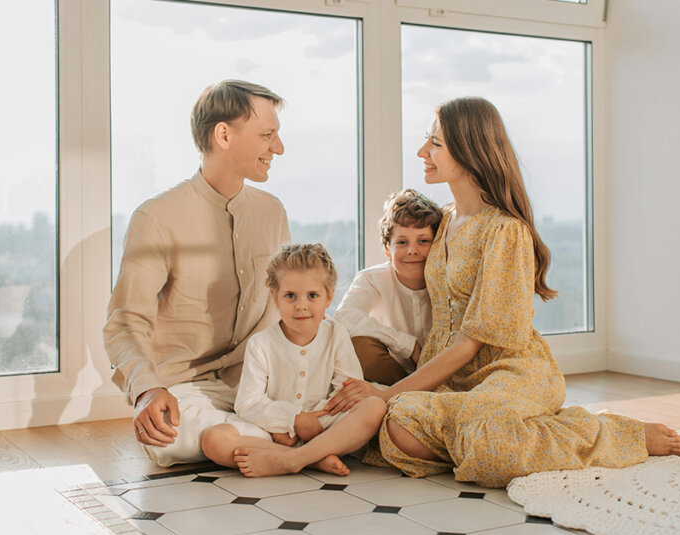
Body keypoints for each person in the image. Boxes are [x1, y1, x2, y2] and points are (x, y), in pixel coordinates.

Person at [325, 97, 680, 488]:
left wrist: (384, 394)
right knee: (400, 425)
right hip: (455, 380)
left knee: (485, 441)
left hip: (511, 371)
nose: (422, 152)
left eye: (435, 144)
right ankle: (504, 435)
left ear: (469, 151)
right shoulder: (445, 219)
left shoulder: (505, 230)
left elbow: (470, 345)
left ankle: (616, 434)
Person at [103, 80, 290, 466]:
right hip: (183, 388)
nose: (278, 148)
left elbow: (286, 306)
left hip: (258, 381)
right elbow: (125, 323)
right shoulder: (156, 217)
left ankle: (262, 441)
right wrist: (147, 390)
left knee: (352, 404)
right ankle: (291, 440)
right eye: (267, 135)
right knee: (170, 435)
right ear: (223, 134)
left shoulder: (272, 212)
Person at [200, 244, 388, 477]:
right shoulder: (261, 344)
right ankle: (313, 460)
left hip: (325, 426)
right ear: (275, 298)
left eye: (312, 296)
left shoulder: (336, 334)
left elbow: (347, 391)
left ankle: (294, 459)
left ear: (329, 297)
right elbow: (248, 403)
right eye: (290, 296)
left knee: (374, 407)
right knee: (214, 440)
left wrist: (313, 423)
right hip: (273, 434)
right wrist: (292, 420)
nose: (301, 306)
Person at [334, 189, 443, 385]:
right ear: (387, 250)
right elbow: (344, 318)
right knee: (358, 344)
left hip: (441, 373)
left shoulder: (450, 282)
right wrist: (407, 345)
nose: (412, 251)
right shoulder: (371, 279)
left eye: (423, 241)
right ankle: (403, 397)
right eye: (402, 242)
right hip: (392, 377)